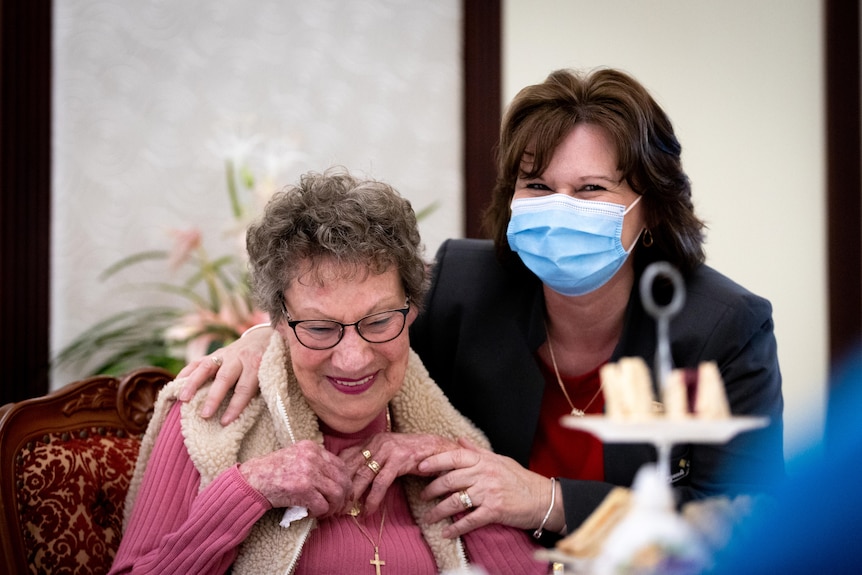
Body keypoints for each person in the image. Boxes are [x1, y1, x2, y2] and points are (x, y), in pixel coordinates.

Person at [177, 68, 785, 543]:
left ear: (648, 206)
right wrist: (268, 338)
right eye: (538, 187)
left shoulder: (724, 328)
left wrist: (545, 500)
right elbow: (353, 317)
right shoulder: (467, 283)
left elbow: (745, 523)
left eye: (591, 190)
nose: (559, 207)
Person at [110, 169, 548, 574]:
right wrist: (249, 489)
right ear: (278, 322)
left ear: (413, 310)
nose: (353, 358)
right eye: (320, 329)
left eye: (378, 322)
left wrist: (442, 460)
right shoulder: (210, 415)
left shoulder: (442, 432)